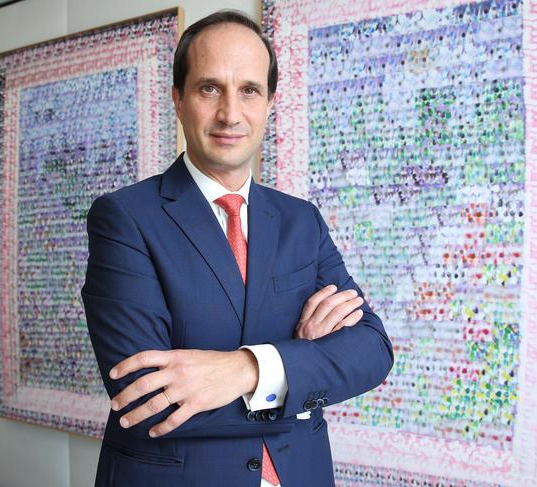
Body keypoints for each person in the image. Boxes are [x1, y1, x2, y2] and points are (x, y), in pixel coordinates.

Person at [81, 10, 393, 487]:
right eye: (210, 88)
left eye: (249, 90)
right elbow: (148, 401)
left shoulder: (300, 220)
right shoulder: (125, 219)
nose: (230, 113)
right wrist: (301, 366)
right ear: (178, 100)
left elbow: (371, 349)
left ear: (269, 103)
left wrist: (247, 368)